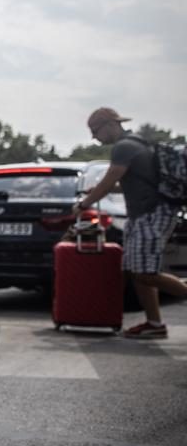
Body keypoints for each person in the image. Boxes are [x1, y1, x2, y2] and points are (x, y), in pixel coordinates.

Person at [74, 107, 187, 339]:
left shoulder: (123, 147)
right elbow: (129, 181)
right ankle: (154, 323)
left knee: (145, 272)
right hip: (143, 215)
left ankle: (158, 319)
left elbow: (112, 176)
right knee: (137, 271)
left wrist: (85, 203)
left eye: (95, 131)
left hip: (152, 214)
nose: (94, 138)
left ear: (109, 125)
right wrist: (97, 191)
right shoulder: (138, 144)